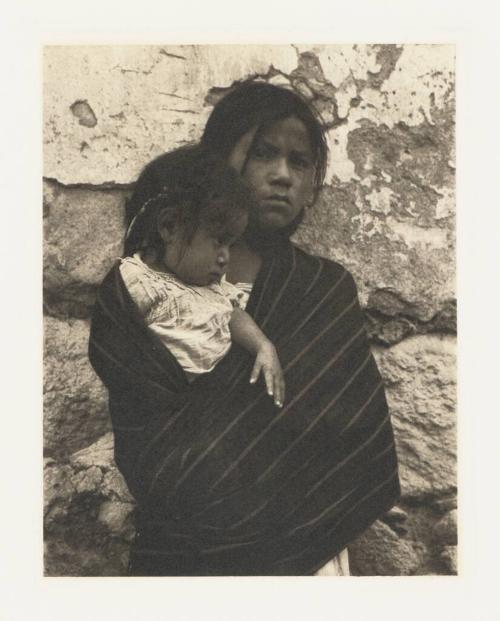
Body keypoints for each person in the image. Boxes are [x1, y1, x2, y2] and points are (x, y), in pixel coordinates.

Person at [89, 80, 400, 576]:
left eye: (299, 163)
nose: (282, 176)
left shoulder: (322, 291)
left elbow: (345, 436)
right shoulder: (146, 284)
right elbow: (143, 415)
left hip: (300, 552)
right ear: (218, 162)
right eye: (263, 154)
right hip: (178, 552)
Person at [119, 144, 284, 406]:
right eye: (219, 241)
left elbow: (232, 314)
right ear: (169, 226)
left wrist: (263, 346)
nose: (225, 256)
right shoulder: (138, 281)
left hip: (217, 407)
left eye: (231, 245)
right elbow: (121, 343)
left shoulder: (211, 288)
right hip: (169, 409)